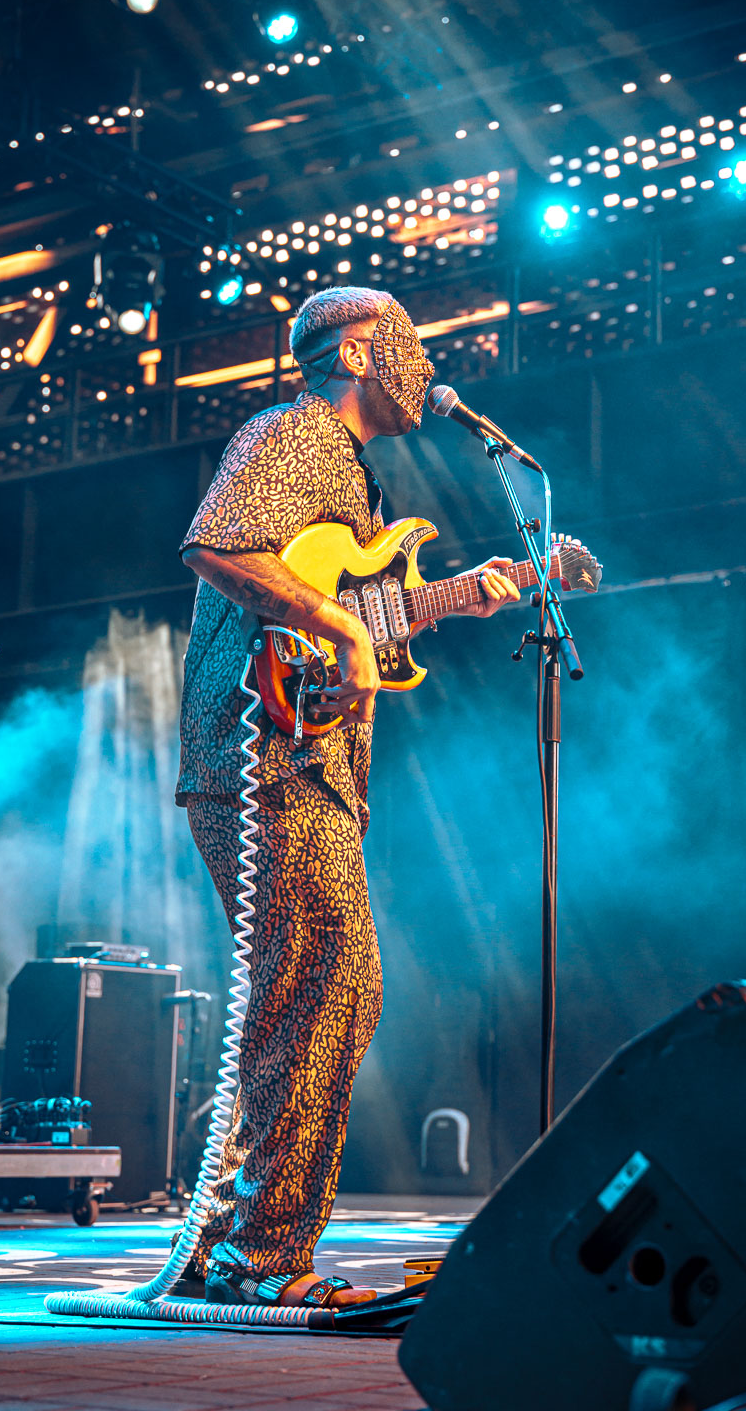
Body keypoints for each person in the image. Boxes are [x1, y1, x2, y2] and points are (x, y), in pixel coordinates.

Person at [176, 286, 520, 1309]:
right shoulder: (295, 432)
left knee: (296, 999)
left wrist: (448, 598)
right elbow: (218, 546)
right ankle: (262, 1262)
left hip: (301, 765)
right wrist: (346, 629)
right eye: (414, 347)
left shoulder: (347, 477)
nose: (426, 369)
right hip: (270, 760)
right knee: (334, 984)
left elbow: (346, 606)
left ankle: (226, 1249)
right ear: (365, 349)